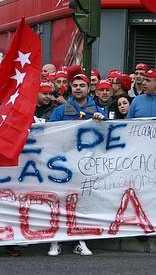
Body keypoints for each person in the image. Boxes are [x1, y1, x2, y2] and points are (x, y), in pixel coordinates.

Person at [48, 73, 104, 257]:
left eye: (82, 85)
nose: (78, 88)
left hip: (86, 165)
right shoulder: (61, 110)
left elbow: (109, 132)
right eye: (75, 85)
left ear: (89, 88)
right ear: (71, 88)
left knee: (81, 203)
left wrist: (100, 120)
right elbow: (48, 132)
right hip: (64, 163)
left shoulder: (97, 109)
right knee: (60, 201)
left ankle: (80, 241)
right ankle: (56, 241)